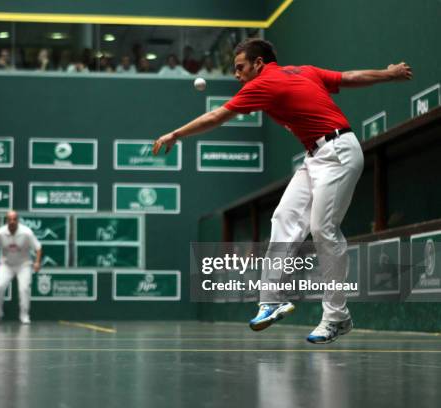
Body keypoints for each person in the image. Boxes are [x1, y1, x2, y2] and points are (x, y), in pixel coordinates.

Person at [153, 38, 412, 344]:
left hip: (339, 152)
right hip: (314, 156)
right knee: (284, 217)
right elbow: (348, 77)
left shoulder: (262, 84)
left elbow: (216, 116)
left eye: (240, 68)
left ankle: (336, 317)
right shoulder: (303, 71)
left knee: (322, 229)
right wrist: (388, 73)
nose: (237, 75)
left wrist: (175, 134)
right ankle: (271, 300)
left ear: (258, 64)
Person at [0, 210, 42, 324]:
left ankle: (24, 316)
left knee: (24, 289)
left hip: (24, 265)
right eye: (10, 219)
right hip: (6, 265)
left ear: (18, 220)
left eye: (14, 219)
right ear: (7, 220)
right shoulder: (0, 233)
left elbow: (38, 247)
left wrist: (37, 262)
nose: (12, 221)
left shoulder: (27, 233)